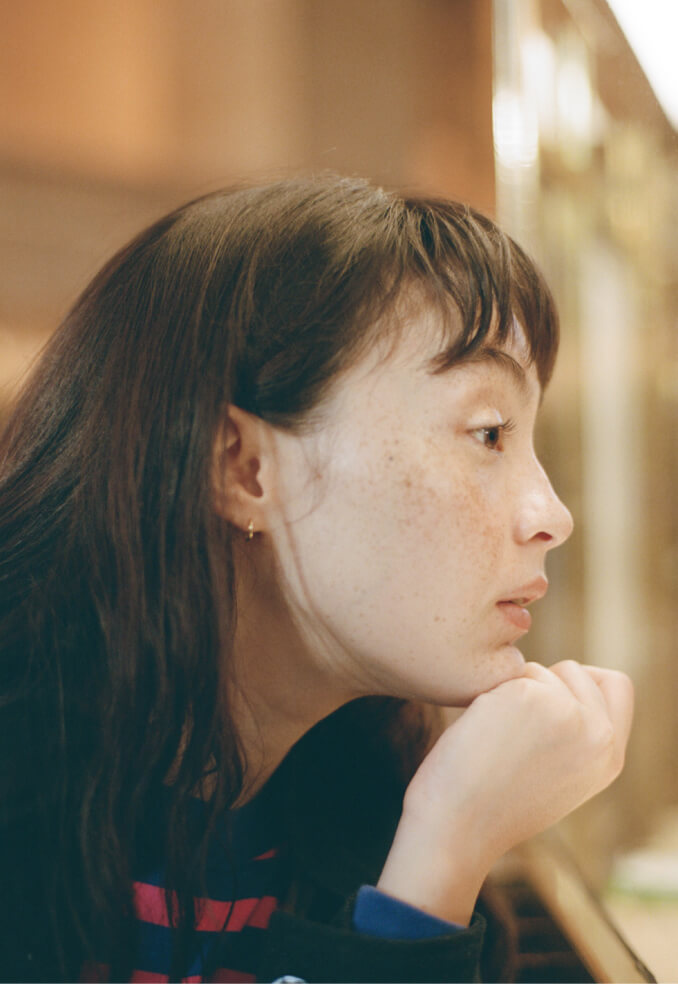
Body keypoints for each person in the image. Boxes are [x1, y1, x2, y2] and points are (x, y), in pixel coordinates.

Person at [0, 175, 633, 983]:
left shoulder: (347, 802)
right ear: (245, 469)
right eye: (488, 432)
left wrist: (447, 839)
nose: (552, 515)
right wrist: (441, 859)